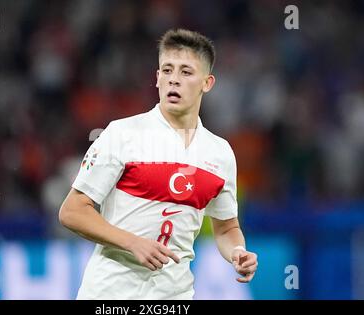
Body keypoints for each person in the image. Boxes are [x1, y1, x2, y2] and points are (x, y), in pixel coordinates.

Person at [59, 28, 258, 299]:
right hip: (110, 295)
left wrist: (237, 252)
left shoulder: (219, 153)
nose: (174, 80)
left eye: (186, 72)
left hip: (174, 297)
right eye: (167, 70)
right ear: (157, 78)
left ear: (207, 83)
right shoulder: (122, 134)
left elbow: (227, 228)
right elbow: (72, 211)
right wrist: (132, 243)